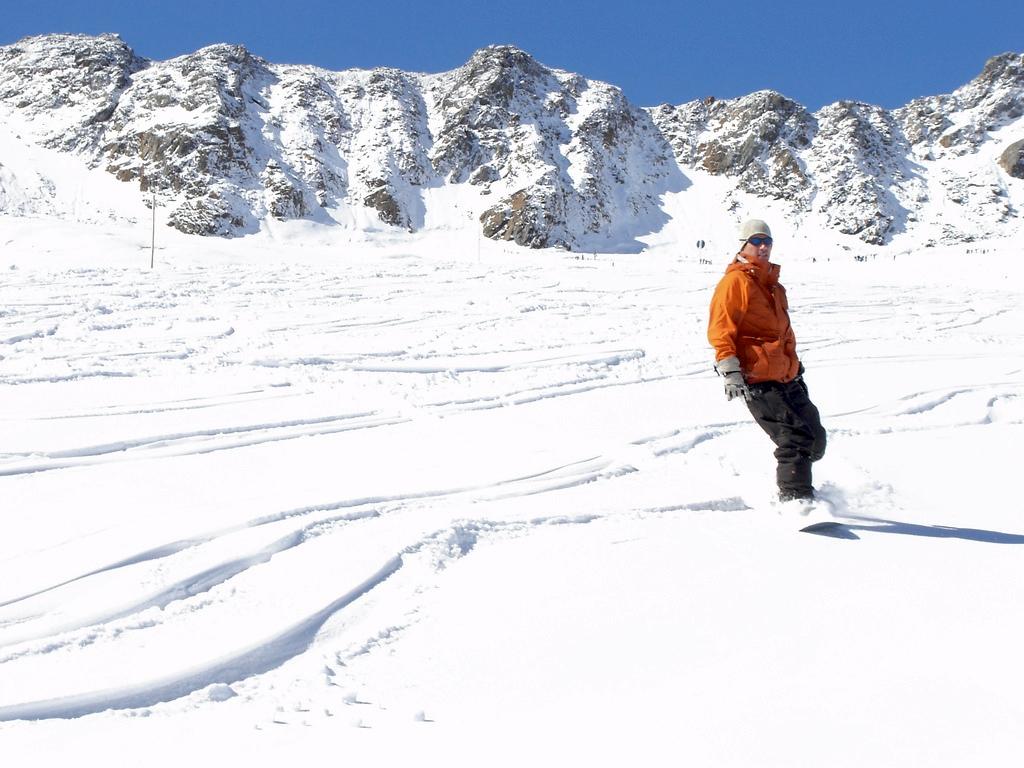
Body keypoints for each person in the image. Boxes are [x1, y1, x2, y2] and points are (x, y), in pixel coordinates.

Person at [707, 219, 827, 502]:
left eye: (767, 241)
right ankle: (796, 500)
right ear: (744, 245)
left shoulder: (774, 286)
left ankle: (799, 484)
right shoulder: (735, 282)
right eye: (756, 241)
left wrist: (794, 365)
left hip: (786, 374)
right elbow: (721, 327)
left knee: (814, 437)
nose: (763, 247)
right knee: (793, 437)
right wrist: (729, 369)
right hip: (757, 377)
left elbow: (782, 332)